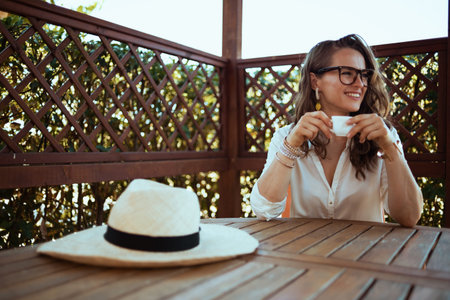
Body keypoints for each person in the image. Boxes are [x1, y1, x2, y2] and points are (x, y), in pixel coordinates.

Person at [250, 34, 423, 227]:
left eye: (364, 74)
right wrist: (291, 146)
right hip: (304, 255)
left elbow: (409, 217)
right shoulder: (287, 136)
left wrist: (391, 149)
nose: (360, 83)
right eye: (347, 73)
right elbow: (264, 210)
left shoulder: (382, 136)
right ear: (316, 82)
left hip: (367, 255)